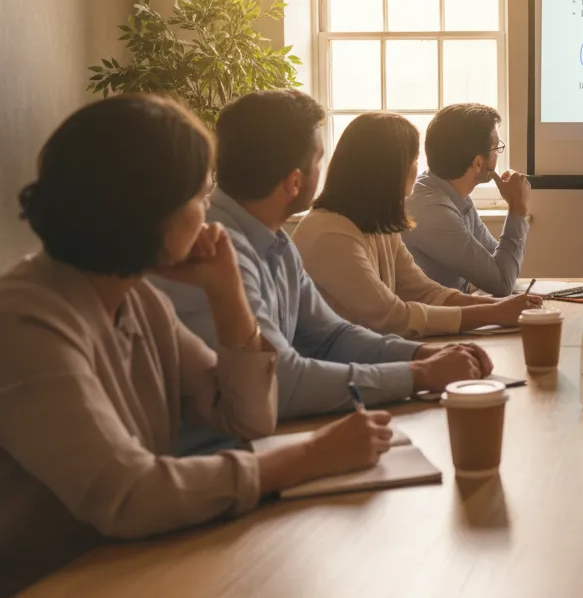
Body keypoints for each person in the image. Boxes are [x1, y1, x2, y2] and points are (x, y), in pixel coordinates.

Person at [0, 96, 395, 594]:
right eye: (200, 196)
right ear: (150, 210)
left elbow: (250, 417)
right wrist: (310, 454)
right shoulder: (24, 321)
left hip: (130, 563)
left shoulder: (138, 298)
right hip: (55, 581)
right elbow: (130, 495)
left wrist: (227, 292)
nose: (209, 212)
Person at [155, 90, 489, 451]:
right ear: (295, 181)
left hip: (256, 446)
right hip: (213, 462)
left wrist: (420, 355)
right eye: (319, 159)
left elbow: (330, 337)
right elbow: (282, 381)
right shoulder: (216, 251)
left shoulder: (275, 240)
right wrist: (417, 375)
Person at [293, 112, 541, 337]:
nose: (418, 169)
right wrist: (493, 313)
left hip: (370, 357)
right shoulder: (331, 233)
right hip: (340, 369)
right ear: (389, 171)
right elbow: (392, 316)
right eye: (413, 159)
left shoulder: (379, 224)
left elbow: (427, 292)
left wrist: (502, 308)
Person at [403, 104, 531, 298]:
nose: (498, 154)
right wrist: (517, 207)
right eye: (497, 148)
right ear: (479, 163)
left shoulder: (455, 196)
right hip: (430, 324)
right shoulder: (433, 210)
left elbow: (498, 266)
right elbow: (502, 283)